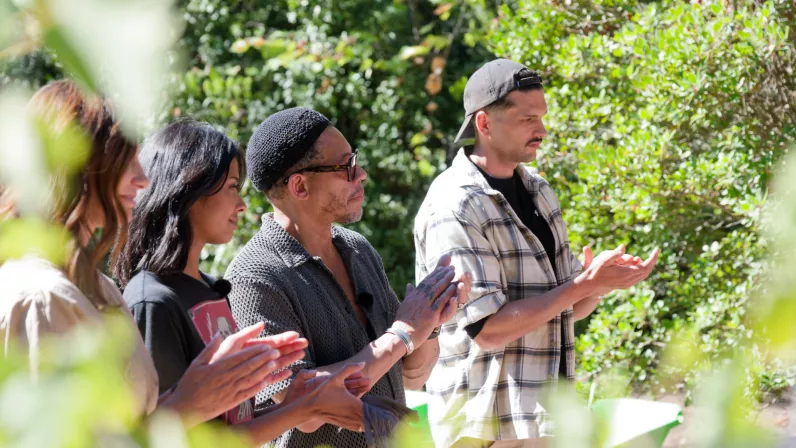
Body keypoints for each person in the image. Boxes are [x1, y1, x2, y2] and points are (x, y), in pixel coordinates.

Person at [0, 80, 300, 428]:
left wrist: (202, 392)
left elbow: (134, 425)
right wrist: (188, 404)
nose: (143, 179)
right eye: (126, 160)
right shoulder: (43, 298)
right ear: (79, 163)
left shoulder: (96, 288)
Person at [413, 59, 660, 448]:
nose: (542, 130)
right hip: (483, 426)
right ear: (484, 123)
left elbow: (566, 310)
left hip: (541, 421)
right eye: (528, 119)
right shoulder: (454, 206)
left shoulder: (540, 191)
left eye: (541, 118)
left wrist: (599, 283)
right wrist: (582, 285)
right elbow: (487, 330)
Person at [225, 107, 472, 448]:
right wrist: (402, 333)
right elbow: (305, 412)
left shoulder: (357, 248)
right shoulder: (254, 278)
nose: (362, 174)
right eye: (347, 166)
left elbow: (412, 375)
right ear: (299, 186)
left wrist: (434, 315)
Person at [114, 120, 370, 444]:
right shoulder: (153, 301)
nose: (242, 204)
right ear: (190, 187)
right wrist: (303, 409)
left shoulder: (210, 289)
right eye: (233, 186)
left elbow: (232, 423)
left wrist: (299, 399)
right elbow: (171, 436)